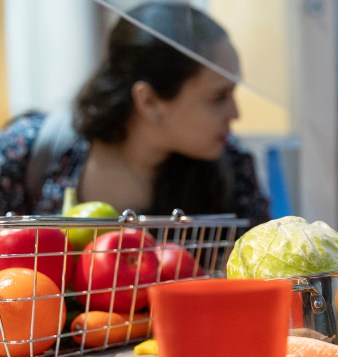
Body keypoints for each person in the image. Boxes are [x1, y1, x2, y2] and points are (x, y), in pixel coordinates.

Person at [0, 1, 270, 227]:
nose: (235, 113)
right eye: (218, 97)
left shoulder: (233, 170)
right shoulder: (24, 151)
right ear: (149, 101)